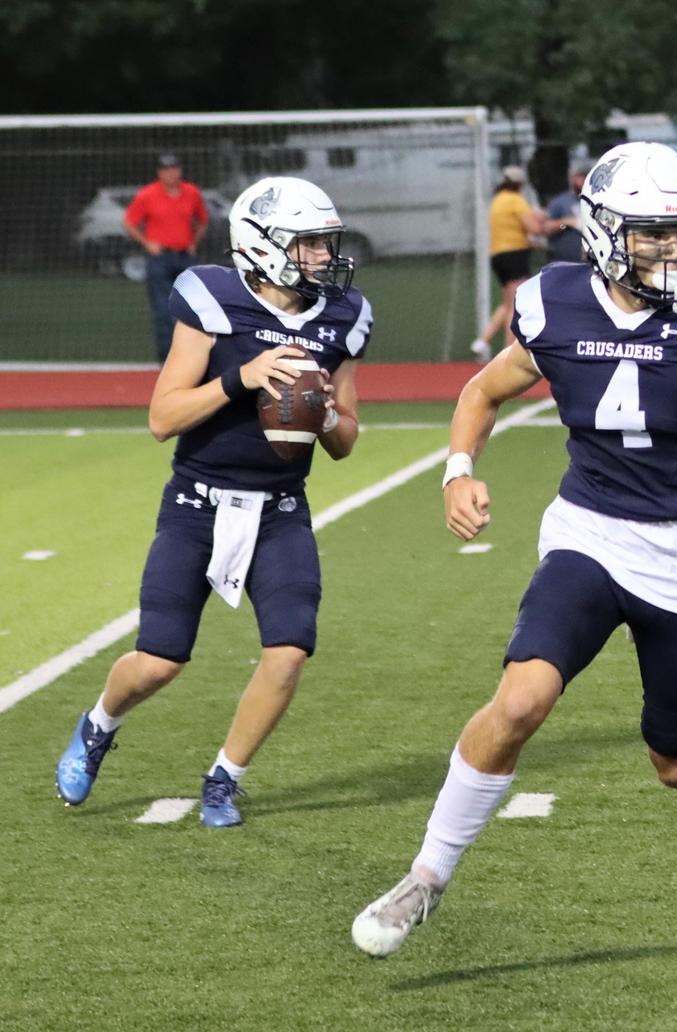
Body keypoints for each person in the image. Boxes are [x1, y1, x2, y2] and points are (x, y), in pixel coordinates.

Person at [350, 141, 677, 957]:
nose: (675, 250)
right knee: (521, 700)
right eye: (653, 234)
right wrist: (458, 471)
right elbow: (482, 390)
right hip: (588, 533)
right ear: (604, 233)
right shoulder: (554, 303)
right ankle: (425, 876)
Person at [55, 177, 368, 828]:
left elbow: (345, 441)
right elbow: (163, 417)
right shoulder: (213, 300)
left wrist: (325, 413)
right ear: (264, 246)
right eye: (308, 244)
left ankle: (224, 778)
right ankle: (98, 724)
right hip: (197, 504)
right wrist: (241, 378)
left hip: (280, 510)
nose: (322, 257)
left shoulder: (342, 317)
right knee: (158, 660)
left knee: (289, 653)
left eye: (323, 244)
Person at [124, 154, 210, 362]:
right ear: (159, 172)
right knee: (162, 310)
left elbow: (203, 220)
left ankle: (192, 356)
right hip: (160, 258)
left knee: (191, 308)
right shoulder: (147, 194)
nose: (170, 172)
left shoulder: (191, 192)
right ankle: (165, 358)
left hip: (184, 257)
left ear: (179, 170)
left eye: (174, 168)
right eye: (165, 168)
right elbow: (129, 222)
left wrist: (193, 242)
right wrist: (147, 243)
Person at [471, 166, 550, 362]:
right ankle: (509, 350)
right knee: (516, 305)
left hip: (498, 256)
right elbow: (533, 228)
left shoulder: (497, 201)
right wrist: (545, 223)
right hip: (514, 256)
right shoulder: (516, 201)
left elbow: (510, 229)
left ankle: (484, 340)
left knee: (508, 302)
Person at [543, 160, 589, 263]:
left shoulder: (597, 201)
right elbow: (547, 228)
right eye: (580, 176)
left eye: (586, 176)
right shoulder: (561, 202)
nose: (583, 180)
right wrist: (566, 224)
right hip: (565, 261)